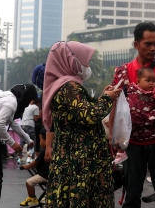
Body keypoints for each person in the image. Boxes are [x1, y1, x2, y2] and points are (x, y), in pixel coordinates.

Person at [110, 22, 155, 207]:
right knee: (132, 195)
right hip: (131, 143)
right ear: (136, 44)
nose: (153, 48)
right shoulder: (122, 72)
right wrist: (112, 139)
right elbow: (114, 108)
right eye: (148, 44)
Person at [42, 41, 120, 208]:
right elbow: (89, 116)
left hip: (73, 157)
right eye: (86, 61)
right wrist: (107, 99)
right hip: (79, 159)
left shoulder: (66, 85)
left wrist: (102, 97)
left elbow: (80, 113)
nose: (88, 66)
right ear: (70, 60)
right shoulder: (69, 87)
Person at [0, 85, 36, 206]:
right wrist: (12, 143)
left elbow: (12, 122)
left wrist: (27, 139)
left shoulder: (7, 96)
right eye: (29, 100)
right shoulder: (12, 102)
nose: (29, 104)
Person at [19, 129, 49, 207]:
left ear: (46, 140)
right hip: (48, 174)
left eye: (41, 140)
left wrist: (27, 166)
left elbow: (36, 162)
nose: (40, 142)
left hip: (44, 175)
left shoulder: (45, 151)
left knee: (29, 182)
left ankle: (32, 198)